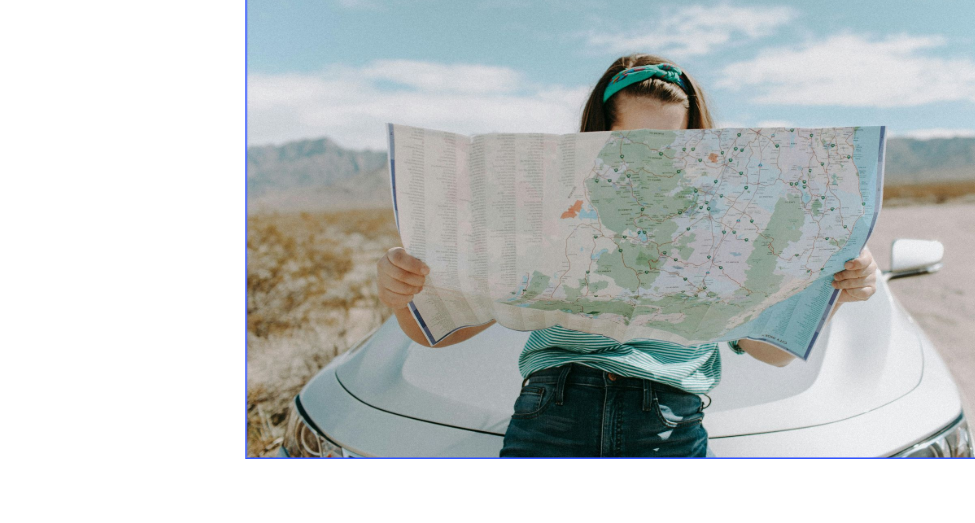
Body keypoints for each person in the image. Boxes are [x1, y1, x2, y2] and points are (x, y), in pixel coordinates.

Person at [375, 54, 878, 457]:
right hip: (552, 410)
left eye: (670, 144)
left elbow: (771, 352)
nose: (651, 159)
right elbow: (437, 333)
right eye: (633, 142)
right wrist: (403, 293)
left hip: (669, 424)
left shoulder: (732, 219)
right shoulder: (548, 206)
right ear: (598, 137)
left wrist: (833, 290)